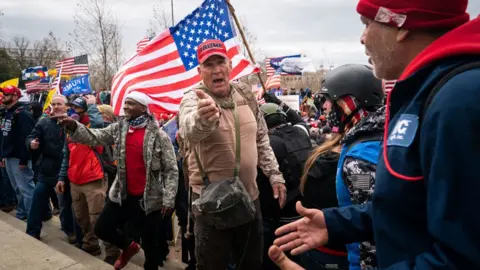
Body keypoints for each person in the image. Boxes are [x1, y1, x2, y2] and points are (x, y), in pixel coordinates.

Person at [271, 1, 480, 269]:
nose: (362, 37)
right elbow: (412, 209)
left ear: (400, 24)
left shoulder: (459, 100)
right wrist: (338, 223)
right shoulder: (427, 92)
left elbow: (464, 256)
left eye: (367, 24)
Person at [179, 39, 287, 270]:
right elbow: (188, 130)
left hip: (249, 197)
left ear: (230, 66)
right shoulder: (193, 98)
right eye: (209, 65)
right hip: (210, 204)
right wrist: (202, 119)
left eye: (221, 62)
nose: (216, 69)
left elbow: (261, 137)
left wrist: (274, 174)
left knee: (250, 264)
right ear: (200, 71)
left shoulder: (245, 94)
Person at [55, 91, 178, 270]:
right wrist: (73, 125)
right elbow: (94, 136)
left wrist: (169, 198)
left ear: (143, 108)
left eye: (131, 103)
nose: (126, 107)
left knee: (151, 248)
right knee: (102, 229)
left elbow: (171, 170)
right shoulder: (119, 128)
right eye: (125, 103)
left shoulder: (159, 136)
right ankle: (129, 247)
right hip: (122, 194)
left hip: (149, 200)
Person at [257, 93, 312, 270]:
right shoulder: (302, 133)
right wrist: (276, 100)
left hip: (281, 217)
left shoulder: (268, 146)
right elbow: (298, 119)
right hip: (307, 210)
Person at [56, 95, 106, 256]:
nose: (73, 111)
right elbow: (66, 155)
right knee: (81, 218)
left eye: (78, 108)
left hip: (93, 180)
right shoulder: (69, 129)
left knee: (98, 218)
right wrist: (62, 177)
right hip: (75, 181)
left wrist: (92, 106)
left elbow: (98, 126)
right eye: (72, 108)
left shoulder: (93, 125)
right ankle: (90, 245)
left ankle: (112, 252)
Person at [25, 95, 68, 239]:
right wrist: (31, 143)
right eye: (53, 104)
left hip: (67, 170)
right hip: (47, 169)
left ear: (66, 106)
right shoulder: (44, 123)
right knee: (37, 200)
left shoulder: (72, 122)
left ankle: (71, 232)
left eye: (59, 104)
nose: (56, 107)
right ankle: (32, 232)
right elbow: (30, 137)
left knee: (66, 205)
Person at [0, 86, 36, 221]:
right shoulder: (7, 112)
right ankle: (22, 214)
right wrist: (3, 155)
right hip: (9, 157)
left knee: (26, 190)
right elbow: (5, 136)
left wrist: (23, 160)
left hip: (19, 158)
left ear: (15, 96)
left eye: (6, 94)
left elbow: (27, 138)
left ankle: (32, 218)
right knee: (17, 189)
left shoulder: (22, 114)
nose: (3, 96)